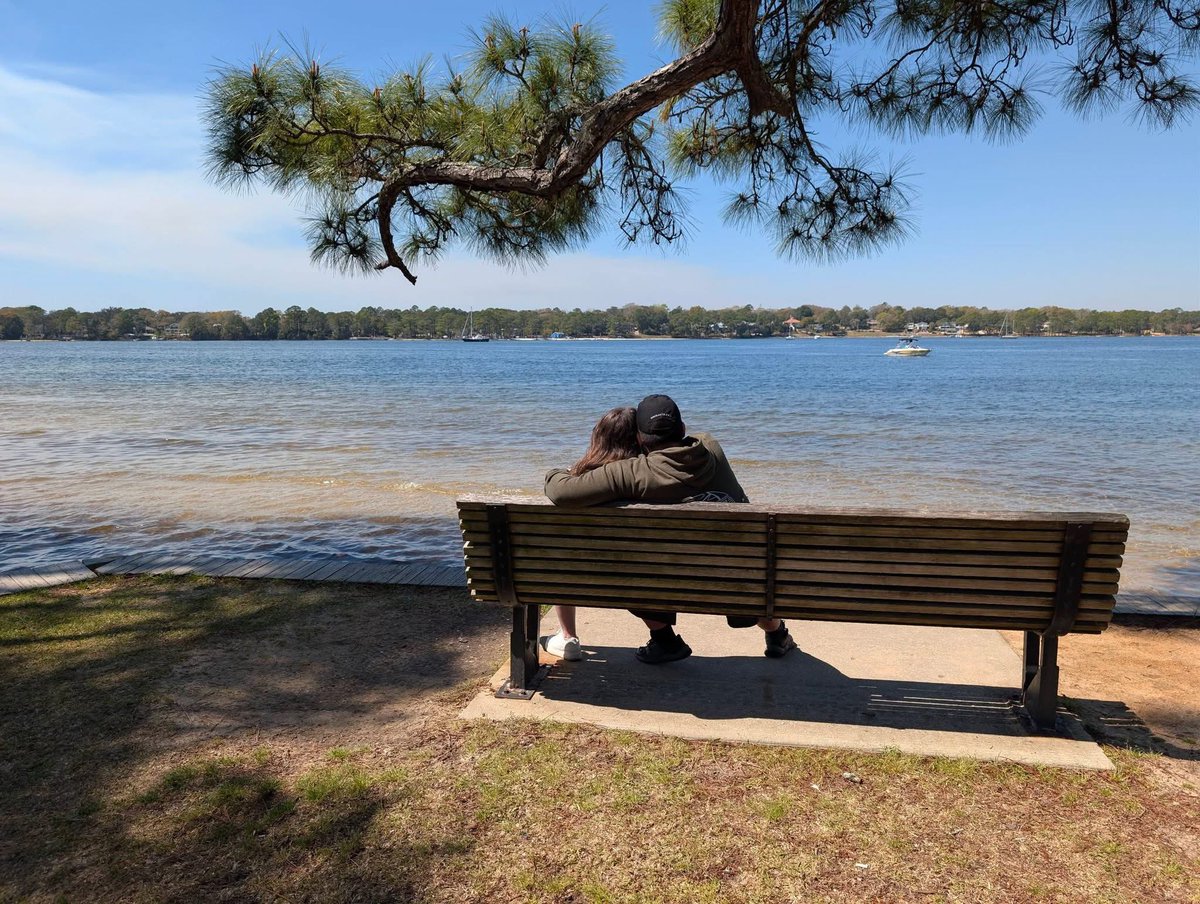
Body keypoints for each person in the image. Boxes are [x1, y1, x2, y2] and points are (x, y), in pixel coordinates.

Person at [544, 394, 796, 664]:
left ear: (640, 440)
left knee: (636, 564)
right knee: (739, 566)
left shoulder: (632, 472)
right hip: (740, 578)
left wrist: (564, 470)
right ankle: (777, 633)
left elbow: (561, 491)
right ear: (683, 429)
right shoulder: (712, 447)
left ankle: (665, 640)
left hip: (667, 581)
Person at [539, 406, 642, 662]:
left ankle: (567, 636)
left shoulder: (579, 482)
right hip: (642, 575)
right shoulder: (648, 478)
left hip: (583, 575)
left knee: (561, 554)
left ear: (598, 438)